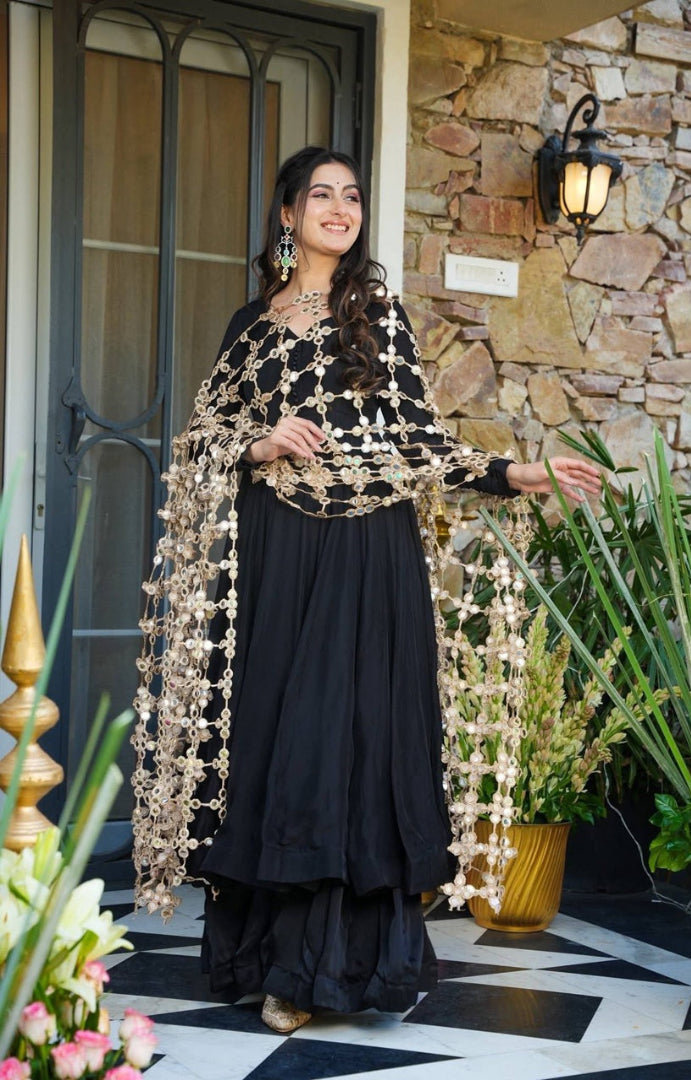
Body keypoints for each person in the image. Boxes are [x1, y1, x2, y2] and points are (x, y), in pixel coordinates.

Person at [132, 146, 600, 1034]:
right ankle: (271, 959)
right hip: (276, 557)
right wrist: (260, 444)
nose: (340, 209)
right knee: (277, 743)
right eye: (322, 195)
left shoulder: (373, 317)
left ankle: (328, 971)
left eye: (351, 196)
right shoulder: (250, 327)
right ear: (287, 214)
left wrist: (517, 471)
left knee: (344, 745)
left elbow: (420, 439)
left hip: (364, 555)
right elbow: (200, 444)